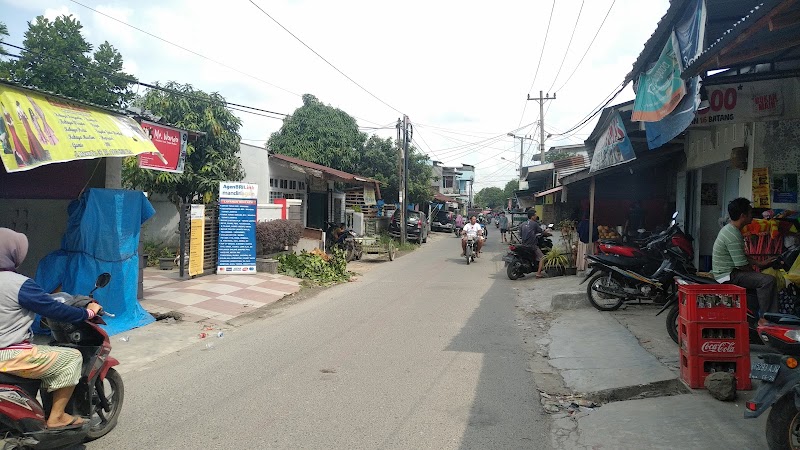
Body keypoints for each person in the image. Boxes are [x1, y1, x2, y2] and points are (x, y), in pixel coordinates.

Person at [0, 228, 102, 429]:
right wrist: (88, 313)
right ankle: (57, 417)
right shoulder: (19, 285)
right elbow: (55, 309)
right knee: (72, 358)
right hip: (9, 354)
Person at [711, 198, 778, 326]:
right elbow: (741, 264)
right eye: (750, 213)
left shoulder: (731, 230)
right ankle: (765, 319)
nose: (752, 216)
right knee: (768, 280)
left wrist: (760, 264)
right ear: (743, 216)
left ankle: (769, 316)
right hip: (729, 275)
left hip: (730, 271)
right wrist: (755, 273)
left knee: (764, 278)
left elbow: (742, 256)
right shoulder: (733, 234)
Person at [519, 211, 549, 278]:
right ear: (532, 216)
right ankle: (538, 273)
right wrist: (546, 232)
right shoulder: (534, 224)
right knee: (543, 257)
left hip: (524, 244)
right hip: (532, 245)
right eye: (535, 215)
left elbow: (520, 235)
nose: (536, 216)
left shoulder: (523, 224)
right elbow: (541, 231)